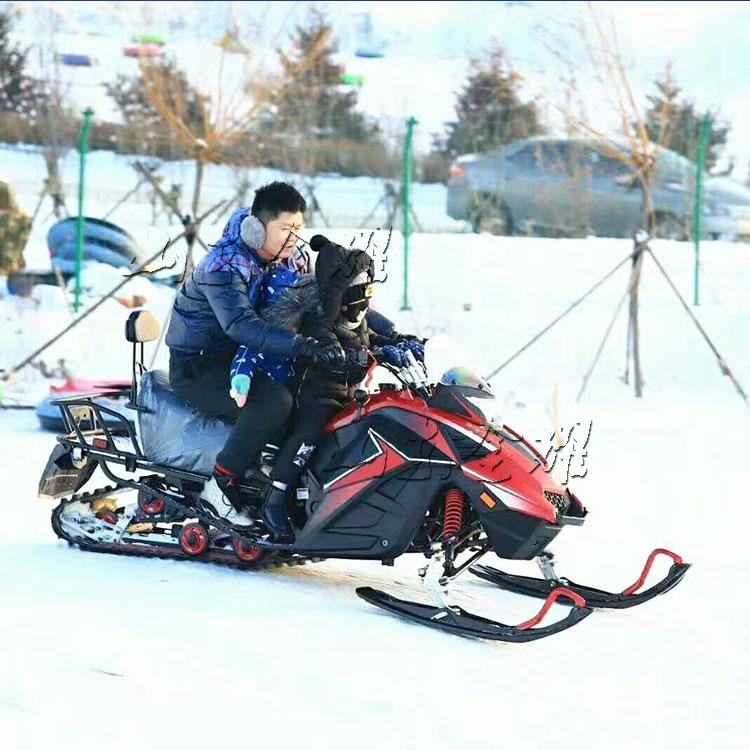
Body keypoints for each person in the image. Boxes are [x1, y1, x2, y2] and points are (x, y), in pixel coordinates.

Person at [165, 183, 343, 527]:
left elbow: (320, 300)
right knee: (273, 402)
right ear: (256, 228)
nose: (293, 238)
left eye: (298, 229)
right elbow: (241, 326)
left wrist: (381, 332)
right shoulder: (222, 266)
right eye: (285, 230)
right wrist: (301, 345)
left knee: (313, 397)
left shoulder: (293, 258)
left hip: (250, 355)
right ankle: (221, 484)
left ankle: (279, 487)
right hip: (199, 364)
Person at [228, 235, 424, 536]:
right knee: (311, 432)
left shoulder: (356, 314)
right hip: (315, 393)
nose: (361, 309)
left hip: (346, 392)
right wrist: (366, 355)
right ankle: (276, 497)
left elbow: (371, 334)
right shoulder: (320, 314)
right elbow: (335, 346)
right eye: (357, 299)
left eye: (366, 299)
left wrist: (400, 342)